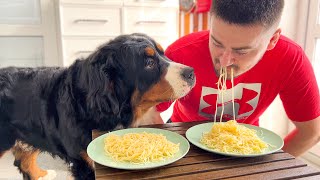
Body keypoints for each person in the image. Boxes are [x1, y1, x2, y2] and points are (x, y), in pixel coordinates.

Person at [145, 0, 320, 157]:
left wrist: (270, 168)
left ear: (272, 39)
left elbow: (312, 132)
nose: (225, 61)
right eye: (216, 42)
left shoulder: (290, 58)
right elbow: (148, 109)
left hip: (242, 147)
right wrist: (166, 152)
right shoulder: (181, 53)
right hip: (182, 139)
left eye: (241, 51)